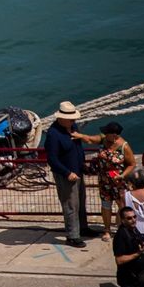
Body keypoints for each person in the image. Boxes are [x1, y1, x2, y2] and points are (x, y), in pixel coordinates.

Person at [75, 120, 137, 241]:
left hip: (119, 182)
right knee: (106, 205)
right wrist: (80, 136)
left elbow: (132, 164)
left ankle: (121, 228)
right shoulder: (104, 139)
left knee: (121, 206)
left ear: (114, 135)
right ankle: (107, 230)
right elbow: (90, 139)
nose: (104, 134)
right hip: (104, 181)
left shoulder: (124, 146)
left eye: (107, 132)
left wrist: (122, 175)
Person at [45, 100, 91, 247]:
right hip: (66, 175)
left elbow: (78, 148)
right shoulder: (53, 134)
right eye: (70, 118)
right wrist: (66, 173)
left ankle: (83, 228)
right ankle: (72, 236)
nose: (73, 120)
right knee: (70, 205)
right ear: (60, 118)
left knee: (81, 202)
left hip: (77, 171)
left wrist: (82, 163)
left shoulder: (72, 127)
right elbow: (52, 159)